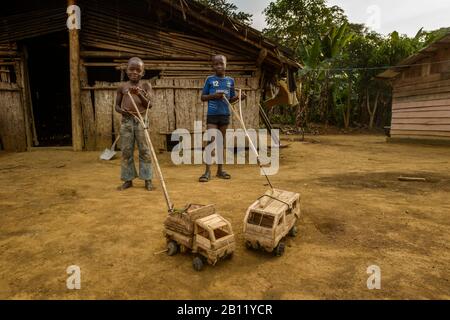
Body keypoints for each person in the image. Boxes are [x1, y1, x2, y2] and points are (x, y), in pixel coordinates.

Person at [199, 54, 246, 183]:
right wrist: (215, 95)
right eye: (216, 64)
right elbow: (203, 97)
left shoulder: (230, 81)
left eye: (221, 63)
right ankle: (207, 172)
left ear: (226, 64)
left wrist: (238, 97)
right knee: (212, 142)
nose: (219, 66)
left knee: (220, 143)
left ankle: (220, 170)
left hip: (224, 115)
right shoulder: (209, 79)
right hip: (212, 115)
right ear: (213, 66)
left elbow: (230, 100)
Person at [115, 57, 154, 191]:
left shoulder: (145, 86)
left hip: (141, 120)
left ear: (143, 73)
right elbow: (116, 106)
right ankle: (128, 179)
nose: (135, 72)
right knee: (126, 151)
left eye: (138, 70)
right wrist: (123, 112)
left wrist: (139, 94)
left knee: (144, 150)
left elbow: (149, 104)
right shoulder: (122, 87)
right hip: (126, 122)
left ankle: (148, 179)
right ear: (127, 71)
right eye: (132, 69)